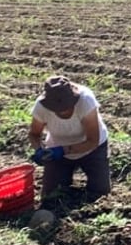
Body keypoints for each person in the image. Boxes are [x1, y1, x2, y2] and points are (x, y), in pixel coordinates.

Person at [27, 75, 111, 206]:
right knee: (50, 197)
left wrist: (63, 150)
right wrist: (39, 149)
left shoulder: (86, 101)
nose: (63, 112)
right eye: (58, 110)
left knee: (100, 192)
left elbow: (92, 141)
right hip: (58, 149)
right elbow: (34, 134)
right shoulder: (41, 107)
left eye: (66, 107)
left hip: (92, 149)